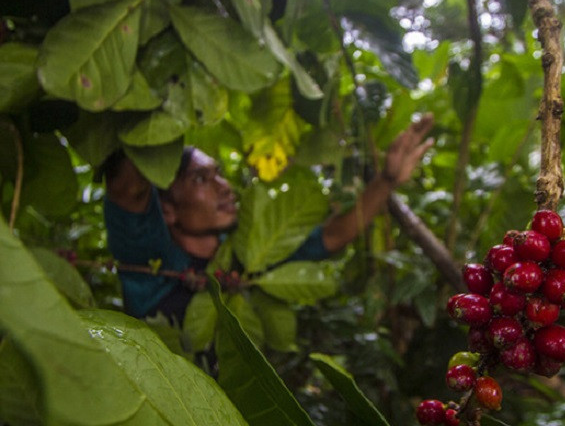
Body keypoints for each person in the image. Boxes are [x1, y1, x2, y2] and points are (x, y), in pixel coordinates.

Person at [101, 113, 435, 327]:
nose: (224, 187)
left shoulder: (246, 255)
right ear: (167, 210)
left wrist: (387, 180)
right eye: (201, 179)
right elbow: (128, 187)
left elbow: (331, 236)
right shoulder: (149, 259)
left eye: (218, 175)